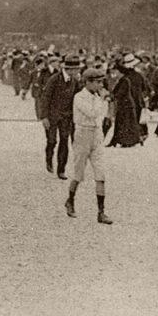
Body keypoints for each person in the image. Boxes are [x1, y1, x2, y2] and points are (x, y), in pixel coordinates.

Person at [64, 67, 112, 224]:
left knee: (101, 173)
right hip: (82, 134)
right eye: (98, 82)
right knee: (79, 173)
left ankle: (101, 211)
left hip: (96, 134)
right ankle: (70, 200)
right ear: (88, 82)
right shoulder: (79, 97)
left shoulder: (98, 97)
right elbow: (92, 113)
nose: (100, 85)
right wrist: (103, 101)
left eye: (101, 82)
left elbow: (102, 116)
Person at [40, 55, 81, 178]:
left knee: (64, 141)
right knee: (52, 141)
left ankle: (61, 170)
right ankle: (49, 159)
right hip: (52, 116)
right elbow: (45, 98)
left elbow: (78, 97)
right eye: (76, 69)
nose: (78, 71)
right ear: (70, 69)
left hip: (66, 117)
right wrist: (44, 117)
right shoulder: (54, 79)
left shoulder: (75, 81)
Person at [108, 64, 141, 147]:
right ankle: (119, 140)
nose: (115, 72)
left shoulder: (125, 80)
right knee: (122, 123)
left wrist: (112, 97)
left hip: (127, 105)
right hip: (123, 105)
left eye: (117, 71)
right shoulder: (121, 80)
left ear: (120, 72)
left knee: (126, 123)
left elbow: (121, 93)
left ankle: (127, 141)